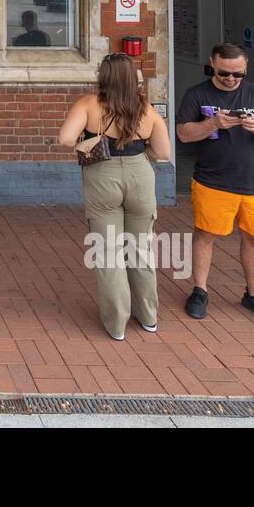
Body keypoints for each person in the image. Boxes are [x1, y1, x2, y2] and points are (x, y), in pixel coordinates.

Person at [59, 53, 172, 341]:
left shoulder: (88, 104)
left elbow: (65, 139)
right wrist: (137, 154)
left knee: (109, 253)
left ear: (104, 76)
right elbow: (163, 153)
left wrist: (92, 142)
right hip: (140, 177)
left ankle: (116, 324)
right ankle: (148, 317)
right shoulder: (147, 110)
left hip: (102, 176)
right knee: (141, 251)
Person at [175, 42, 254, 327]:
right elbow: (184, 135)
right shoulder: (197, 94)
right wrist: (212, 124)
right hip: (213, 180)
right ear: (213, 62)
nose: (231, 79)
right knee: (205, 235)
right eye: (225, 72)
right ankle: (200, 291)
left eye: (238, 74)